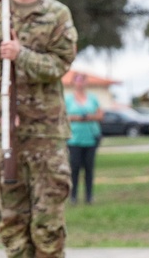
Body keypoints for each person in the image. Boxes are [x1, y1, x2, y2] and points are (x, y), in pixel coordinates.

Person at [0, 0, 77, 258]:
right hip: (9, 133)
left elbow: (60, 65)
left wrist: (22, 55)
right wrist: (6, 108)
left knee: (47, 228)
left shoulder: (57, 14)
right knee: (12, 225)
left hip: (46, 133)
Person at [65, 72, 103, 205]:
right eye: (78, 80)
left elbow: (99, 115)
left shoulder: (92, 98)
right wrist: (77, 118)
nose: (80, 83)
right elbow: (64, 116)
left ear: (86, 82)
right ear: (74, 83)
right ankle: (73, 196)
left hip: (90, 137)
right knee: (74, 167)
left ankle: (89, 196)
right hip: (74, 138)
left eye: (82, 80)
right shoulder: (68, 99)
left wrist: (89, 117)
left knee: (89, 168)